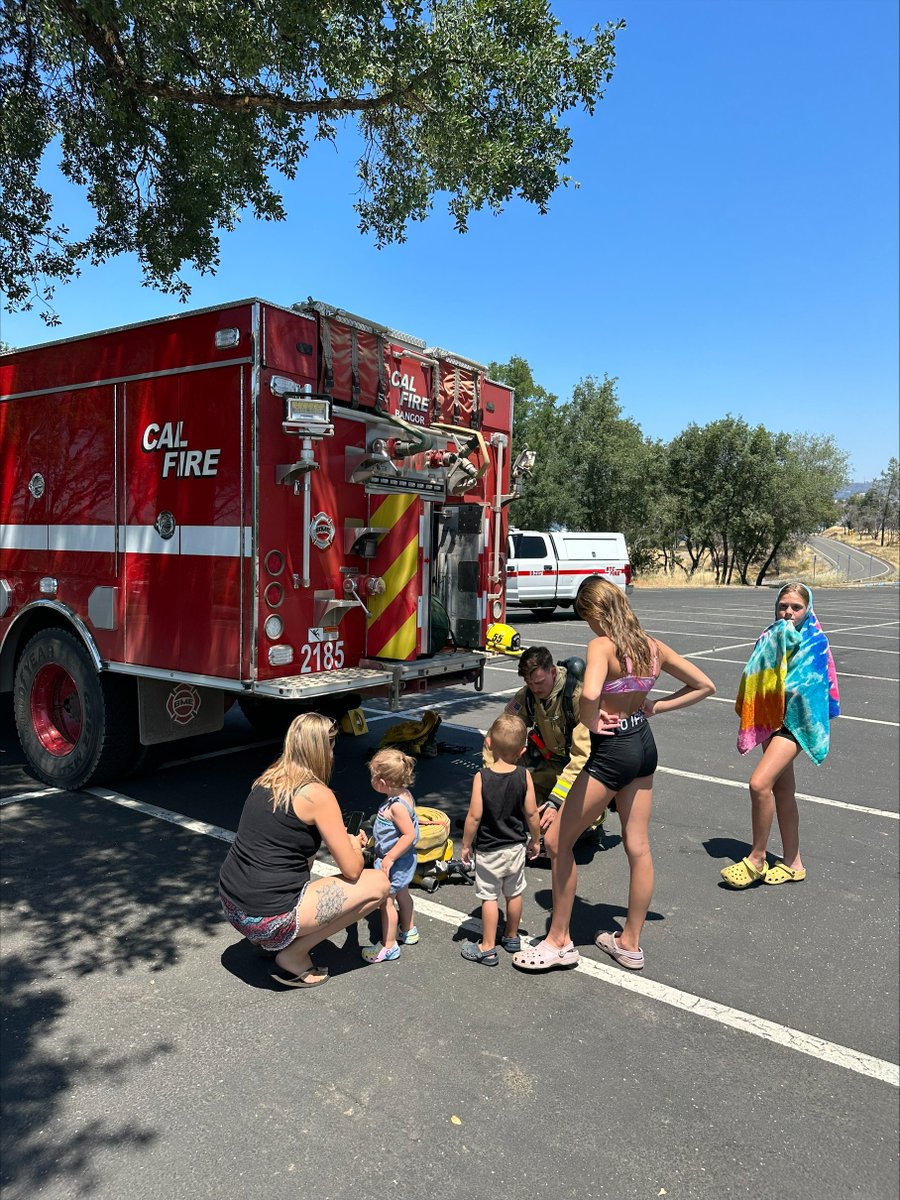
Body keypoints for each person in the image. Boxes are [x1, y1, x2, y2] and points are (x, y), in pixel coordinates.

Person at [513, 576, 715, 974]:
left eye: (586, 616)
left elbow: (589, 696)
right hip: (643, 744)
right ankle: (630, 943)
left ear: (595, 612)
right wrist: (654, 708)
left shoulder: (603, 646)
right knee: (637, 846)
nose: (588, 625)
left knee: (557, 840)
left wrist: (590, 720)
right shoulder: (652, 646)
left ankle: (558, 941)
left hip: (613, 751)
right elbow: (704, 685)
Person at [219, 712, 389, 988]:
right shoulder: (318, 795)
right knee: (379, 884)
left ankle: (268, 943)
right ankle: (293, 954)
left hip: (233, 905)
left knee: (291, 876)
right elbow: (352, 869)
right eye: (332, 747)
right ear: (324, 750)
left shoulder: (267, 779)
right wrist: (352, 845)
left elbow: (297, 854)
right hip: (267, 918)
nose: (333, 754)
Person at [721, 582, 840, 888]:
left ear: (807, 608)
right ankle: (793, 863)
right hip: (771, 720)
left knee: (759, 783)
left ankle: (757, 859)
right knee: (783, 791)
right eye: (783, 606)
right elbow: (754, 675)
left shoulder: (815, 641)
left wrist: (780, 691)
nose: (788, 612)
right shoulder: (770, 635)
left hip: (796, 723)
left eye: (795, 607)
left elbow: (810, 688)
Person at [483, 645, 613, 841]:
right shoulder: (527, 696)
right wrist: (492, 779)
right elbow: (498, 734)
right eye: (529, 683)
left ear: (553, 672)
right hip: (549, 763)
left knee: (577, 817)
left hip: (580, 769)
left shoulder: (578, 698)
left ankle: (593, 822)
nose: (534, 689)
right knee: (518, 798)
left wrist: (556, 801)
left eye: (539, 682)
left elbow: (581, 757)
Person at [460, 714, 542, 965]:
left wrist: (465, 844)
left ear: (488, 743)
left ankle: (486, 946)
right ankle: (512, 936)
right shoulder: (524, 775)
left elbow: (474, 816)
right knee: (514, 893)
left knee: (489, 897)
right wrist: (536, 840)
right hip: (516, 847)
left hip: (489, 850)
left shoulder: (481, 777)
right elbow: (531, 812)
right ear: (523, 750)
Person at [361, 748, 420, 964]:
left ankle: (389, 946)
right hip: (404, 859)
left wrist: (390, 858)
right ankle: (409, 929)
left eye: (373, 778)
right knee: (402, 894)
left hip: (395, 861)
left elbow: (408, 834)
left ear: (382, 782)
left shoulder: (396, 807)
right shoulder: (404, 795)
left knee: (386, 901)